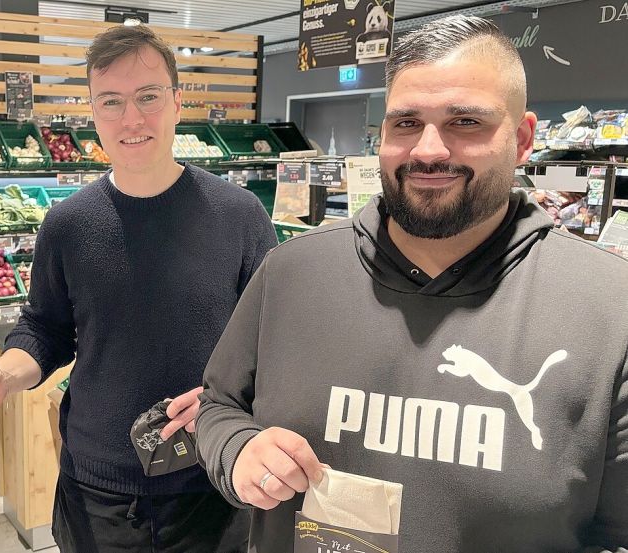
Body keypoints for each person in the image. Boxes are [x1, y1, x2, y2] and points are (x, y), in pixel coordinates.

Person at [195, 15, 628, 553]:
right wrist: (238, 451)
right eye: (405, 123)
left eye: (465, 121)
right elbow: (217, 406)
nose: (427, 150)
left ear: (521, 140)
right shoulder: (289, 273)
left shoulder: (612, 307)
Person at [0, 23, 275, 553]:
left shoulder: (239, 215)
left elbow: (270, 340)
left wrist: (236, 405)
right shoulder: (68, 224)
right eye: (112, 102)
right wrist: (3, 377)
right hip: (96, 488)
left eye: (147, 97)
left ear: (176, 100)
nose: (132, 119)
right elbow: (45, 329)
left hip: (211, 480)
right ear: (93, 112)